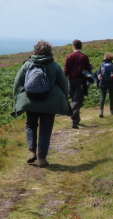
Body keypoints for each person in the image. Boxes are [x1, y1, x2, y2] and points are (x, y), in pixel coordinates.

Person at [12, 40, 71, 168]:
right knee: (45, 129)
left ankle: (31, 151)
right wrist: (63, 100)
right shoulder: (54, 65)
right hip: (49, 104)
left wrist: (16, 102)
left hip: (31, 101)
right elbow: (64, 85)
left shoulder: (27, 64)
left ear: (35, 50)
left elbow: (17, 83)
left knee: (30, 125)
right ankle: (42, 159)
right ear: (49, 50)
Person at [62, 39, 92, 129]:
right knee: (77, 100)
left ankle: (75, 120)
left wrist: (63, 80)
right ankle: (73, 116)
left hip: (70, 81)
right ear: (81, 46)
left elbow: (65, 70)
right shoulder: (84, 57)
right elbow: (88, 70)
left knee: (73, 99)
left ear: (73, 47)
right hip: (81, 81)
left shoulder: (69, 56)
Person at [97, 52, 113, 118]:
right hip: (111, 82)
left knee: (102, 97)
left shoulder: (102, 64)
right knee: (111, 97)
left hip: (102, 83)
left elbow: (98, 74)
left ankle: (101, 112)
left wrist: (98, 84)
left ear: (105, 57)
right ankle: (111, 111)